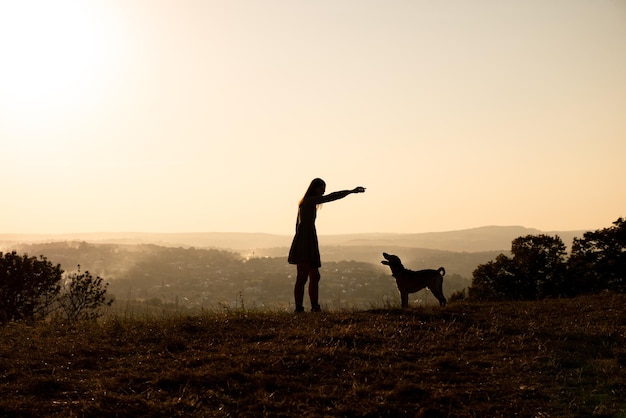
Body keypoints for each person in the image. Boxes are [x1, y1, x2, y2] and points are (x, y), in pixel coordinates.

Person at [288, 178, 366, 312]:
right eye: (322, 188)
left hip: (308, 240)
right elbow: (331, 197)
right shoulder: (309, 201)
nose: (323, 191)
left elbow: (297, 225)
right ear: (315, 188)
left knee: (314, 276)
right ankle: (300, 308)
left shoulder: (306, 203)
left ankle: (314, 306)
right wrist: (350, 191)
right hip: (306, 241)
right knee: (302, 277)